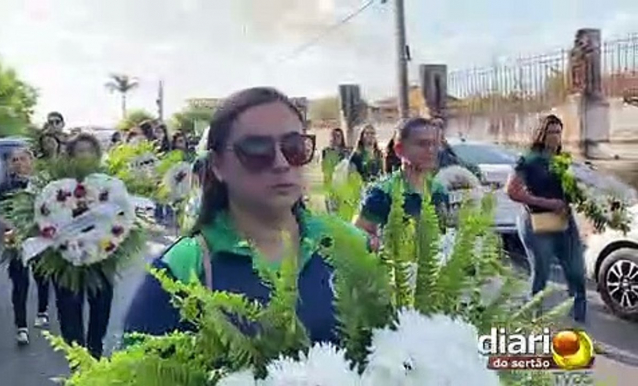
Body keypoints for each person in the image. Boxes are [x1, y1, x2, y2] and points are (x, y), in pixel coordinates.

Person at [123, 87, 366, 342]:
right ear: (217, 166)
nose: (282, 163)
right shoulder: (182, 268)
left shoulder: (349, 244)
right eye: (257, 150)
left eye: (293, 147)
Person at [505, 114, 586, 324]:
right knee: (541, 275)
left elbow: (572, 189)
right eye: (551, 132)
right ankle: (535, 321)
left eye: (558, 132)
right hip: (537, 223)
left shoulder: (563, 159)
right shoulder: (529, 160)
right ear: (541, 134)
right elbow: (512, 191)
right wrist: (548, 203)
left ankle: (578, 323)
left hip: (565, 222)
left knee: (577, 272)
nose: (555, 137)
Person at [54, 134, 113, 358]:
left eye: (90, 150)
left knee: (101, 309)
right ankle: (78, 362)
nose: (86, 155)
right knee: (69, 313)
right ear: (71, 155)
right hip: (67, 259)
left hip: (102, 257)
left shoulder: (109, 181)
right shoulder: (58, 184)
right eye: (80, 150)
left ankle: (95, 358)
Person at [353, 118, 449, 243]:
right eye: (422, 144)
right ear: (399, 150)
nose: (431, 150)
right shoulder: (382, 193)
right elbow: (358, 236)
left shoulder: (439, 191)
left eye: (435, 144)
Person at [0, 148, 52, 345]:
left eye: (23, 159)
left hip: (39, 235)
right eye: (15, 160)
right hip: (15, 236)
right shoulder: (6, 186)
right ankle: (21, 326)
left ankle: (42, 311)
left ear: (32, 161)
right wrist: (10, 225)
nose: (19, 163)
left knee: (42, 275)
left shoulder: (43, 184)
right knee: (19, 281)